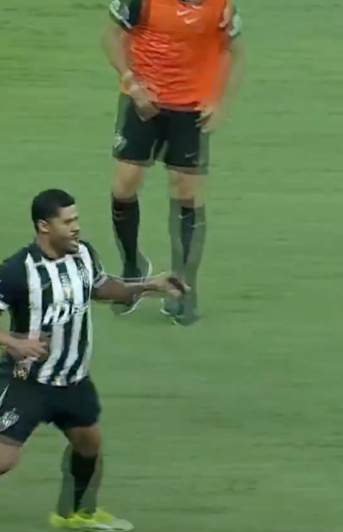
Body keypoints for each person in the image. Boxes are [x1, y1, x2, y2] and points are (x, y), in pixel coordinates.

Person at [0, 189, 184, 532]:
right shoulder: (17, 270)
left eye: (76, 219)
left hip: (73, 379)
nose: (75, 227)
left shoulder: (83, 254)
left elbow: (100, 287)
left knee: (88, 444)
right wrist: (13, 343)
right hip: (28, 382)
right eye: (67, 222)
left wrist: (149, 285)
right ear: (44, 226)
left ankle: (76, 514)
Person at [103, 0, 244, 325]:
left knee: (187, 193)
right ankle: (133, 269)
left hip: (190, 108)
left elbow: (235, 52)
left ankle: (183, 287)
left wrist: (219, 102)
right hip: (142, 101)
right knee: (123, 186)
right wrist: (132, 83)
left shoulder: (220, 6)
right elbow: (110, 36)